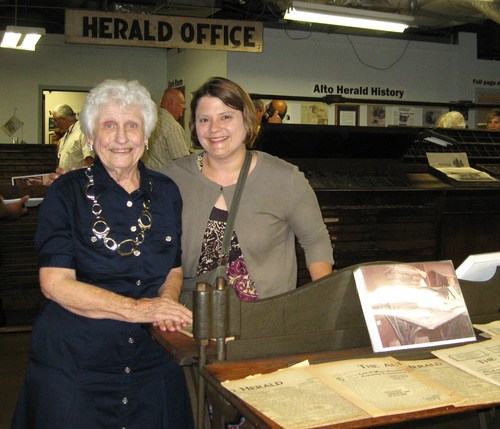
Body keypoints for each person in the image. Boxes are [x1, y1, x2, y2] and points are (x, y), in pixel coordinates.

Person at [11, 79, 194, 429]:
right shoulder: (66, 193)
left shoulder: (167, 191)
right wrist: (141, 309)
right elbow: (54, 283)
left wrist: (166, 305)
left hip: (150, 362)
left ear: (147, 135)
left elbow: (173, 266)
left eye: (132, 125)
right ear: (91, 138)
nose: (122, 137)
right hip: (75, 365)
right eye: (109, 125)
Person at [161, 77, 333, 301]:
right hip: (193, 318)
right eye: (204, 119)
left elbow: (315, 241)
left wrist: (325, 301)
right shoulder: (172, 178)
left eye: (226, 117)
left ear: (246, 120)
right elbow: (160, 252)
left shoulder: (284, 178)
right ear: (194, 126)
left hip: (266, 320)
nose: (214, 128)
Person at [142, 87, 191, 170]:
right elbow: (183, 163)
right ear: (171, 103)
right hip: (164, 179)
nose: (184, 107)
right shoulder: (172, 126)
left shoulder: (150, 120)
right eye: (182, 103)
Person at [52, 104, 95, 170]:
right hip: (65, 177)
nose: (55, 124)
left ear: (63, 119)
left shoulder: (83, 132)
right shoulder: (67, 134)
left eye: (55, 120)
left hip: (77, 179)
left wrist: (81, 178)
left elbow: (89, 160)